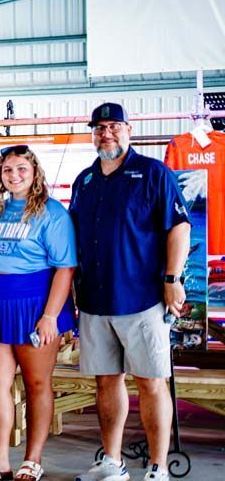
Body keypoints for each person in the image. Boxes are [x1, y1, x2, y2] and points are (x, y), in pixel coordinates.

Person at [70, 103, 191, 481]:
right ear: (93, 133)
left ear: (129, 129)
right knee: (106, 380)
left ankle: (157, 467)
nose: (106, 133)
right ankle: (112, 461)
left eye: (114, 126)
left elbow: (179, 228)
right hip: (94, 301)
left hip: (143, 300)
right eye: (100, 127)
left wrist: (172, 280)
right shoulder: (84, 181)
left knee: (152, 383)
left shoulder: (153, 173)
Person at [0, 145, 77, 481]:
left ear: (34, 172)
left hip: (38, 304)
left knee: (36, 383)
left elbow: (65, 268)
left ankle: (33, 458)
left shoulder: (53, 213)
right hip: (0, 302)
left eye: (21, 169)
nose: (14, 176)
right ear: (0, 175)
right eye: (8, 170)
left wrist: (49, 316)